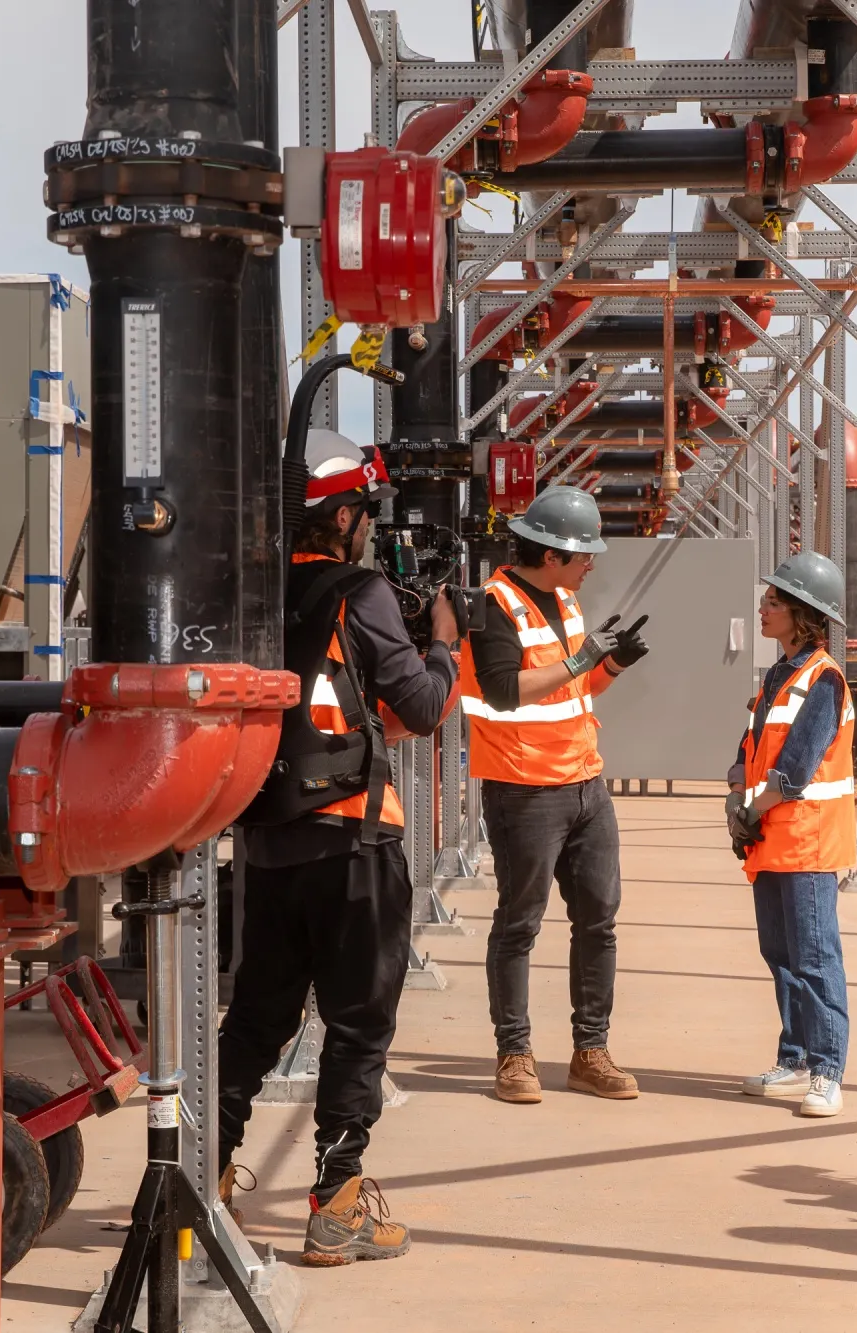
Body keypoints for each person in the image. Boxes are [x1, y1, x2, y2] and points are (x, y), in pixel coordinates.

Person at [217, 428, 458, 1266]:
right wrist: (443, 643)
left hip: (271, 842)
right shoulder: (364, 593)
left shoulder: (250, 593)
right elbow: (423, 707)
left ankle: (204, 1171)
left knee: (252, 1020)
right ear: (347, 515)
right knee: (358, 1026)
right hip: (354, 839)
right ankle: (336, 1202)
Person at [457, 485, 651, 1105]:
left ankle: (590, 1052)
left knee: (599, 919)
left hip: (585, 781)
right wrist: (579, 662)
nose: (592, 563)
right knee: (519, 925)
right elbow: (505, 692)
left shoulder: (565, 601)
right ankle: (514, 1056)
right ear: (551, 553)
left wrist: (610, 664)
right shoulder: (493, 604)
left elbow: (572, 692)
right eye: (583, 553)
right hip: (524, 790)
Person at [727, 551, 854, 1118]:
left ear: (802, 614)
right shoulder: (778, 675)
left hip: (804, 841)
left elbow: (795, 771)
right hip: (770, 839)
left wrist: (751, 810)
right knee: (779, 953)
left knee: (814, 956)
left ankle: (827, 1071)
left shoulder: (823, 680)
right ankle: (796, 1057)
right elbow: (749, 751)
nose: (763, 607)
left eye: (773, 601)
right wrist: (737, 797)